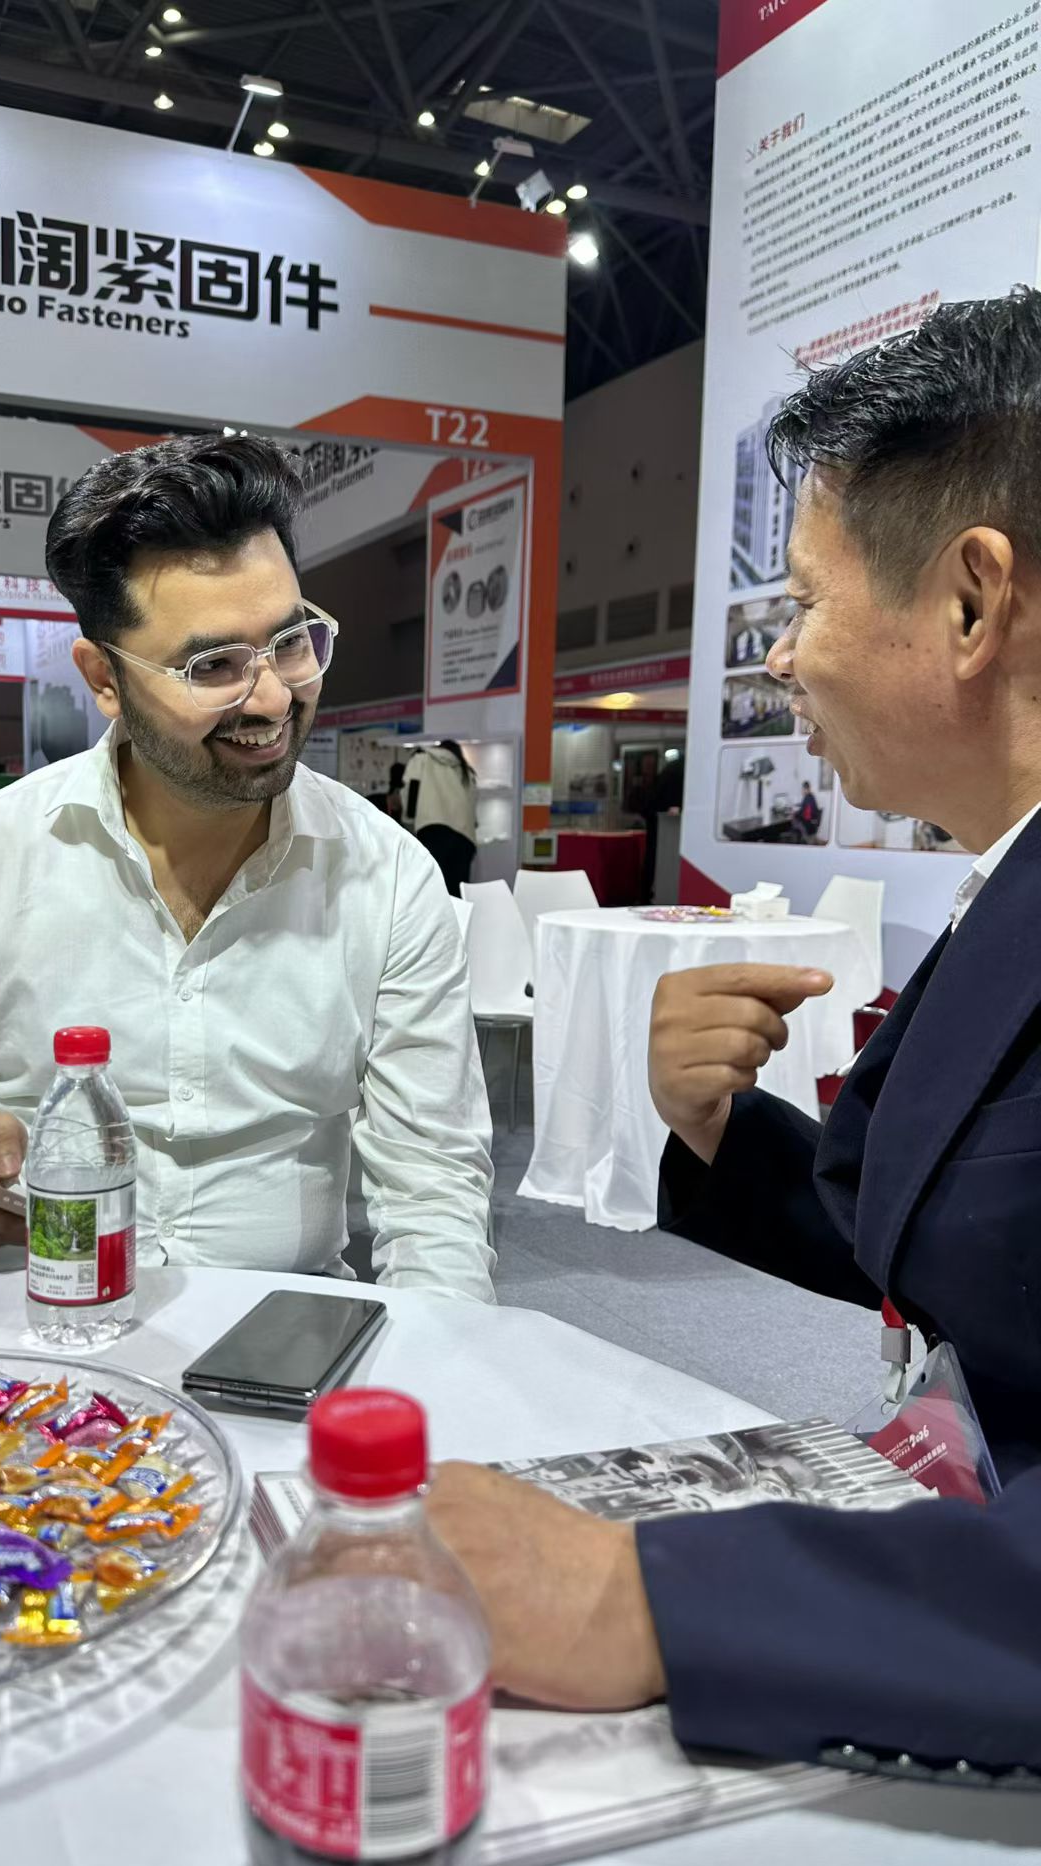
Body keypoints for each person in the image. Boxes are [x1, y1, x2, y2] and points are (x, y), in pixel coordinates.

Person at [427, 290, 1041, 1775]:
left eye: (804, 604)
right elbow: (984, 1245)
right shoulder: (1004, 880)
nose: (780, 660)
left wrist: (643, 1601)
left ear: (970, 605)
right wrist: (721, 1137)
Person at [0, 433, 495, 1302]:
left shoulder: (387, 877)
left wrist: (443, 1355)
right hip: (35, 1312)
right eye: (213, 665)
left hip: (285, 1319)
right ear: (104, 678)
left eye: (292, 642)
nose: (272, 698)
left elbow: (434, 1184)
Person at [404, 739, 478, 895]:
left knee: (433, 891)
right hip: (464, 837)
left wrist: (409, 817)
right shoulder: (466, 771)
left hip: (433, 830)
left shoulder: (422, 758)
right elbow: (472, 804)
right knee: (458, 894)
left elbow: (412, 788)